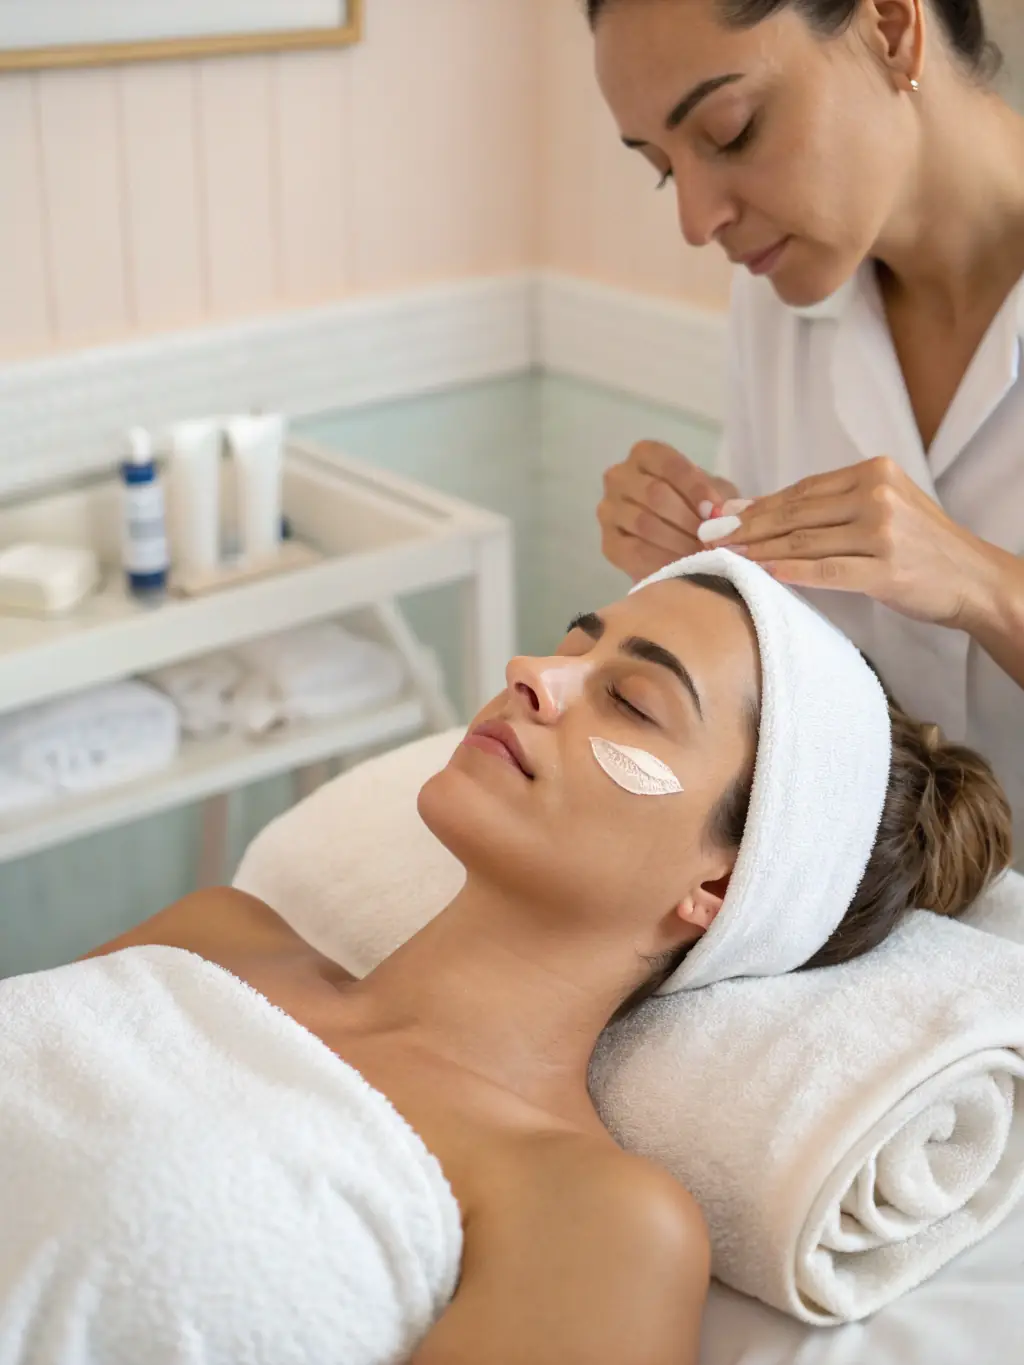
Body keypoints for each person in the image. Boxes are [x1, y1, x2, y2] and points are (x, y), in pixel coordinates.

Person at [0, 564, 1012, 1365]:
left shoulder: (596, 1220)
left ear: (721, 883)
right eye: (574, 644)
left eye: (632, 700)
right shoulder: (213, 935)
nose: (535, 670)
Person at [590, 0, 1024, 864]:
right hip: (879, 924)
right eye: (662, 169)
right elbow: (785, 675)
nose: (696, 221)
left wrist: (982, 586)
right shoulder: (779, 294)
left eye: (731, 129)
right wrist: (695, 569)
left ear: (891, 27)